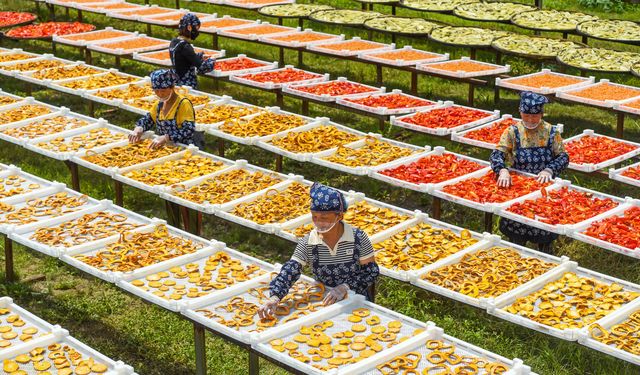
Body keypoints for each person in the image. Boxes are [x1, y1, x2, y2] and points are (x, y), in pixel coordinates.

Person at [258, 183, 380, 320]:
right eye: (314, 217)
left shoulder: (358, 238)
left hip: (355, 299)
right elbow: (291, 270)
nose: (318, 223)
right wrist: (275, 297)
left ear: (339, 216)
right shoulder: (309, 241)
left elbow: (371, 271)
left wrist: (346, 286)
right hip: (323, 300)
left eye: (324, 218)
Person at [490, 91, 569, 254]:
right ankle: (516, 254)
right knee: (517, 228)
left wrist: (550, 169)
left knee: (544, 225)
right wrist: (502, 170)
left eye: (535, 116)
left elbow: (563, 156)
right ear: (520, 112)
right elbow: (497, 153)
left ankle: (546, 255)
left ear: (541, 114)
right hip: (520, 187)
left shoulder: (551, 132)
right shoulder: (512, 132)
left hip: (544, 187)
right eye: (526, 116)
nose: (531, 120)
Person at [129, 69, 198, 148]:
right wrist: (139, 128)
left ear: (172, 87)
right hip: (165, 147)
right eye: (156, 91)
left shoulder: (183, 104)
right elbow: (149, 119)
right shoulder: (159, 104)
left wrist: (167, 137)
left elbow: (188, 130)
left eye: (163, 91)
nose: (160, 94)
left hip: (182, 147)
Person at [169, 13, 215, 89]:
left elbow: (184, 58)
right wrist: (212, 60)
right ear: (189, 27)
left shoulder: (174, 42)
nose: (197, 32)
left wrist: (200, 56)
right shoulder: (185, 46)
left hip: (176, 80)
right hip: (187, 85)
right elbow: (202, 68)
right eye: (196, 28)